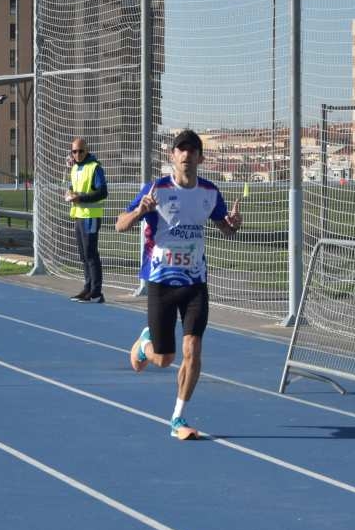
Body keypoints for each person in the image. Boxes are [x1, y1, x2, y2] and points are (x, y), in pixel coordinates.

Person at [115, 129, 241, 439]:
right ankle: (145, 344)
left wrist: (233, 226)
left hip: (195, 282)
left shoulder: (209, 193)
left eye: (192, 150)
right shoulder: (156, 189)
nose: (186, 155)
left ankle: (178, 418)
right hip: (161, 282)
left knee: (193, 349)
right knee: (163, 359)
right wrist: (140, 212)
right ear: (172, 155)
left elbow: (225, 228)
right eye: (180, 150)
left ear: (200, 157)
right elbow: (120, 224)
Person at [64, 137, 107, 303]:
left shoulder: (95, 167)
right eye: (74, 151)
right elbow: (74, 187)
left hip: (91, 216)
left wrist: (80, 198)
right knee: (83, 255)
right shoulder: (74, 168)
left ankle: (96, 293)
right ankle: (88, 288)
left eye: (81, 151)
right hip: (79, 216)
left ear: (87, 150)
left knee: (91, 253)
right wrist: (70, 193)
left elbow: (103, 192)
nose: (77, 154)